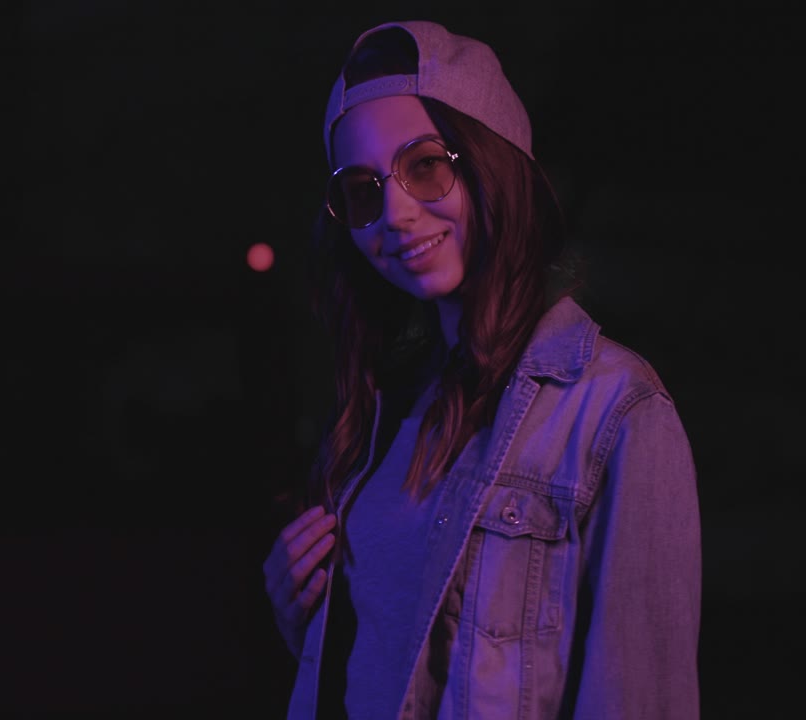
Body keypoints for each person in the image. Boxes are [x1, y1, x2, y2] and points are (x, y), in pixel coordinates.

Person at [261, 19, 701, 720]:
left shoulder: (616, 411)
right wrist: (309, 627)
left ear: (493, 163)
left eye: (425, 165)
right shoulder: (381, 409)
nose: (395, 214)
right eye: (364, 189)